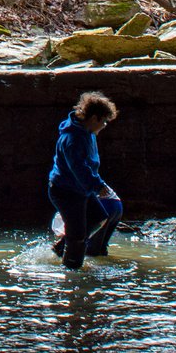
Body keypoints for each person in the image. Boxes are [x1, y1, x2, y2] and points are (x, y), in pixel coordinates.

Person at [48, 91, 123, 269]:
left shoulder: (87, 132)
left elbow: (89, 166)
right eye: (104, 121)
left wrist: (98, 184)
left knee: (98, 217)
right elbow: (79, 168)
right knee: (78, 235)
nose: (105, 125)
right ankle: (72, 273)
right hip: (65, 191)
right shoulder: (72, 138)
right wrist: (96, 186)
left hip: (80, 188)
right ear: (94, 118)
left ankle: (61, 249)